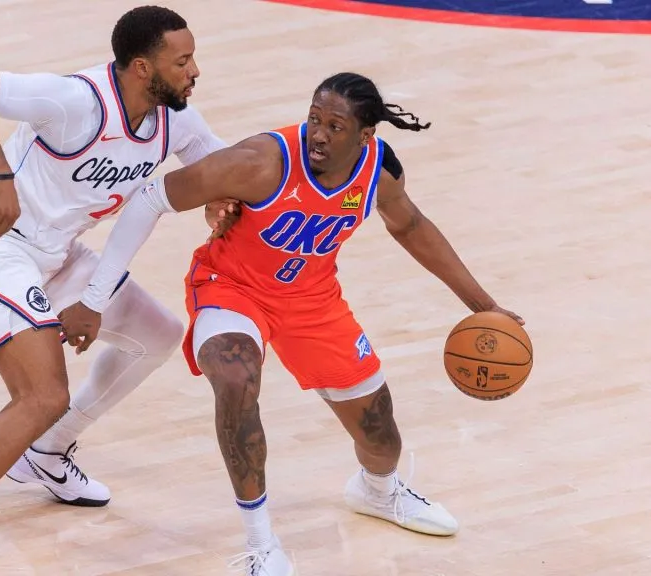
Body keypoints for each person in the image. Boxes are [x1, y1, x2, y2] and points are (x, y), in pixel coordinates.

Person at [59, 72, 525, 575]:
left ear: (366, 135)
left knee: (381, 436)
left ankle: (378, 491)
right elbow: (152, 197)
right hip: (230, 286)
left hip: (313, 300)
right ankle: (260, 543)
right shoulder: (260, 162)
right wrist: (95, 296)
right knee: (235, 380)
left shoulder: (378, 173)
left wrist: (483, 305)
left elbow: (410, 225)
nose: (319, 134)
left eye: (335, 125)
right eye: (314, 119)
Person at [0, 6, 237, 576]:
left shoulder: (176, 120)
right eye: (184, 60)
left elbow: (222, 168)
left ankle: (47, 453)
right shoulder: (75, 101)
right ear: (144, 68)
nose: (196, 71)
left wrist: (220, 200)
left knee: (160, 334)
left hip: (58, 251)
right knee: (42, 395)